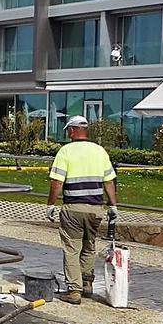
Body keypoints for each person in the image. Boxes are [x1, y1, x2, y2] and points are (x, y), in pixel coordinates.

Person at [46, 116, 118, 304]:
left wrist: (51, 205)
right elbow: (109, 181)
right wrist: (113, 205)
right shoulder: (99, 151)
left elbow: (57, 183)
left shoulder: (65, 151)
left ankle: (74, 290)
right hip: (95, 208)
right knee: (89, 245)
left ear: (72, 130)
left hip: (73, 208)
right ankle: (87, 284)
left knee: (72, 248)